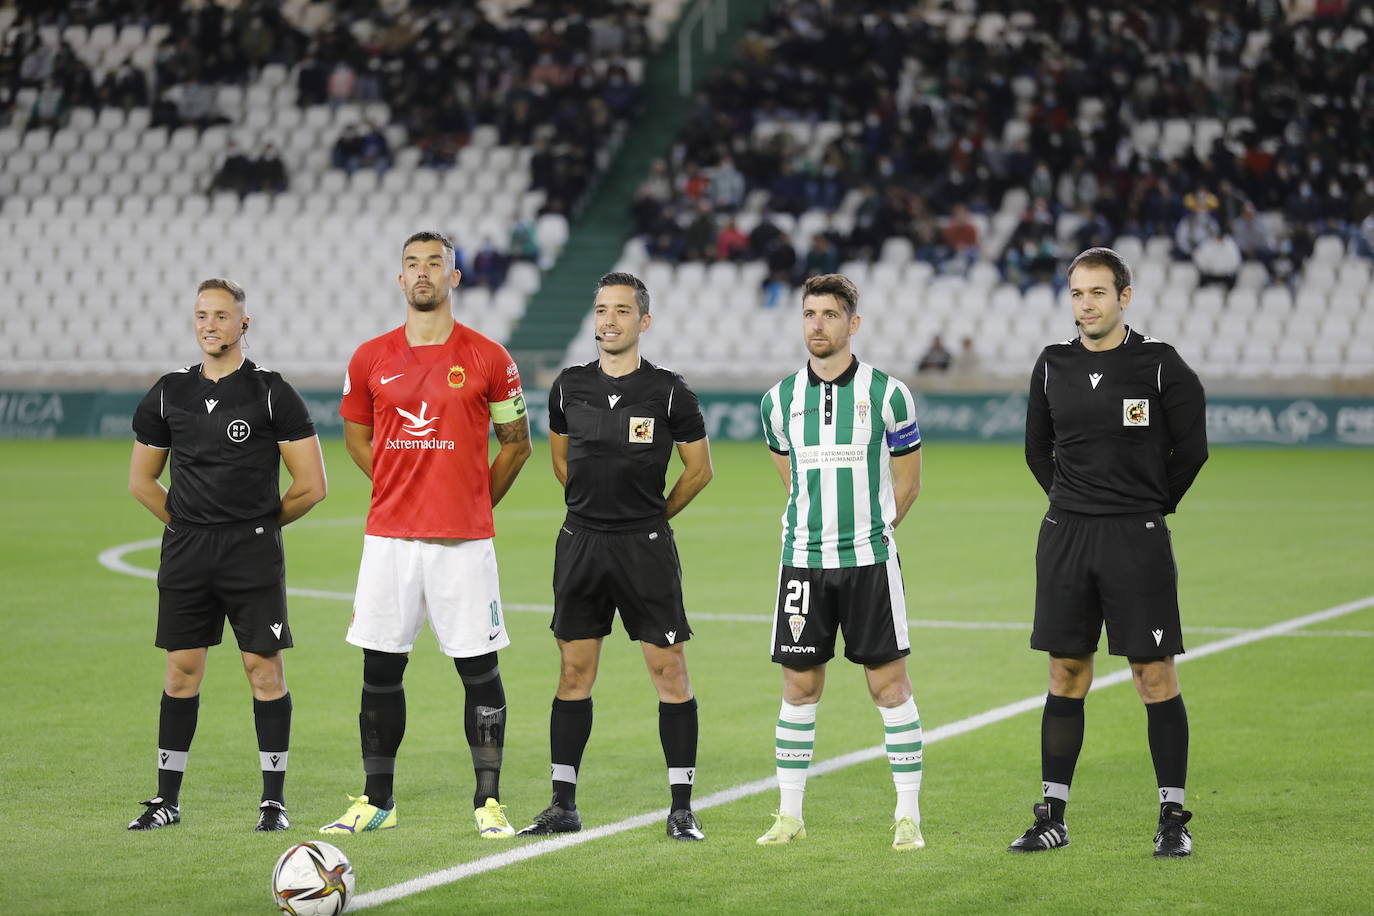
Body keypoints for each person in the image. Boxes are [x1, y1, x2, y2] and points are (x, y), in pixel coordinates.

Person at [321, 231, 532, 839]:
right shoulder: (369, 359)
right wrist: (397, 483)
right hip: (389, 540)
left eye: (434, 264)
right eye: (411, 264)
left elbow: (516, 444)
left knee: (479, 670)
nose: (422, 274)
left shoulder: (491, 358)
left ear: (454, 278)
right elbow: (358, 441)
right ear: (399, 278)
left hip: (463, 544)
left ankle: (487, 802)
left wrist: (472, 499)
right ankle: (376, 799)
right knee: (380, 670)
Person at [1010, 246, 1208, 858]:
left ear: (1124, 297)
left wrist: (1144, 506)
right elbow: (1037, 452)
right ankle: (1052, 817)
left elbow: (1192, 450)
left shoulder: (1159, 366)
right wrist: (1074, 502)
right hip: (1066, 535)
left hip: (1136, 538)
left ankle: (1173, 816)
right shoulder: (1052, 365)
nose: (1085, 304)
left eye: (1097, 292)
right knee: (1066, 671)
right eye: (1076, 293)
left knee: (1153, 674)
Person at [517, 271, 714, 841]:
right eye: (602, 309)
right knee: (574, 670)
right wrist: (591, 512)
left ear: (643, 321)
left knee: (668, 670)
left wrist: (653, 518)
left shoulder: (669, 391)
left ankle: (680, 807)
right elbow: (561, 461)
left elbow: (698, 471)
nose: (609, 319)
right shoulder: (567, 386)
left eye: (622, 311)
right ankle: (562, 803)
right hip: (580, 544)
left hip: (645, 548)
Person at [127, 278, 328, 832]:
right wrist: (189, 526)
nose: (210, 324)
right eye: (201, 315)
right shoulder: (169, 392)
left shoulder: (270, 392)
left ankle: (272, 803)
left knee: (263, 671)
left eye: (221, 315)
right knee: (180, 672)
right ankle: (166, 800)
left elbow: (311, 484)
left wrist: (257, 527)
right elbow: (143, 482)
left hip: (251, 554)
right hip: (187, 554)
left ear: (245, 323)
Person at [756, 274, 927, 851]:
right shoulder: (777, 402)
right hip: (801, 563)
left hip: (870, 563)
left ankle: (907, 817)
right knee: (799, 687)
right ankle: (789, 816)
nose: (817, 325)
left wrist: (871, 529)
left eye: (830, 315)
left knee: (889, 685)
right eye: (809, 314)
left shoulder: (889, 394)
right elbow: (790, 477)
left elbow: (908, 484)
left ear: (853, 323)